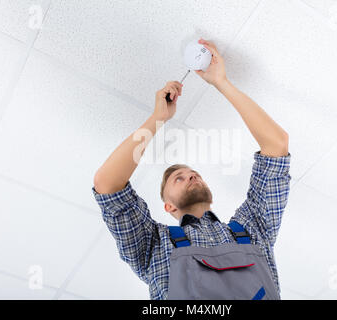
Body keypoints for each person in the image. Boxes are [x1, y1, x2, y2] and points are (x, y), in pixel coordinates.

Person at [93, 38, 291, 300]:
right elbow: (107, 185)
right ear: (169, 207)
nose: (191, 175)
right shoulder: (153, 245)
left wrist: (222, 82)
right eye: (179, 178)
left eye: (193, 174)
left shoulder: (253, 228)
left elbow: (276, 146)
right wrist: (157, 119)